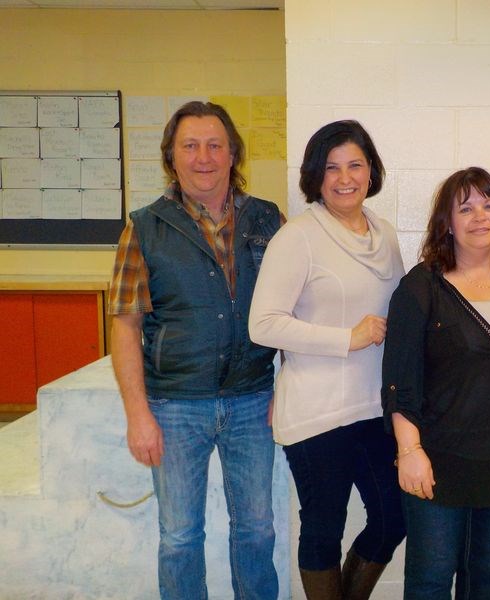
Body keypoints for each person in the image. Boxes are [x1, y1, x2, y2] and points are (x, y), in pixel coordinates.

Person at [109, 101, 282, 600]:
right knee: (180, 537)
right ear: (172, 156)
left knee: (257, 531)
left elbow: (292, 309)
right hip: (174, 406)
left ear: (232, 154)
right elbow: (124, 325)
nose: (202, 157)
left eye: (214, 145)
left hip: (253, 401)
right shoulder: (144, 227)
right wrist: (137, 413)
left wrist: (286, 385)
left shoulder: (267, 219)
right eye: (189, 145)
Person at [248, 120, 406, 599]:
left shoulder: (385, 233)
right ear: (316, 176)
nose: (344, 177)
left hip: (372, 409)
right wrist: (348, 338)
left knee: (392, 518)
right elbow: (263, 324)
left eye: (355, 164)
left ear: (371, 170)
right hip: (317, 413)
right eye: (331, 167)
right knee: (323, 529)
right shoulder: (297, 237)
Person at [382, 167, 490, 599]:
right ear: (446, 223)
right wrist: (409, 450)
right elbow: (399, 380)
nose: (480, 217)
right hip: (437, 459)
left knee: (485, 574)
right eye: (465, 208)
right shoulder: (420, 287)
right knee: (431, 576)